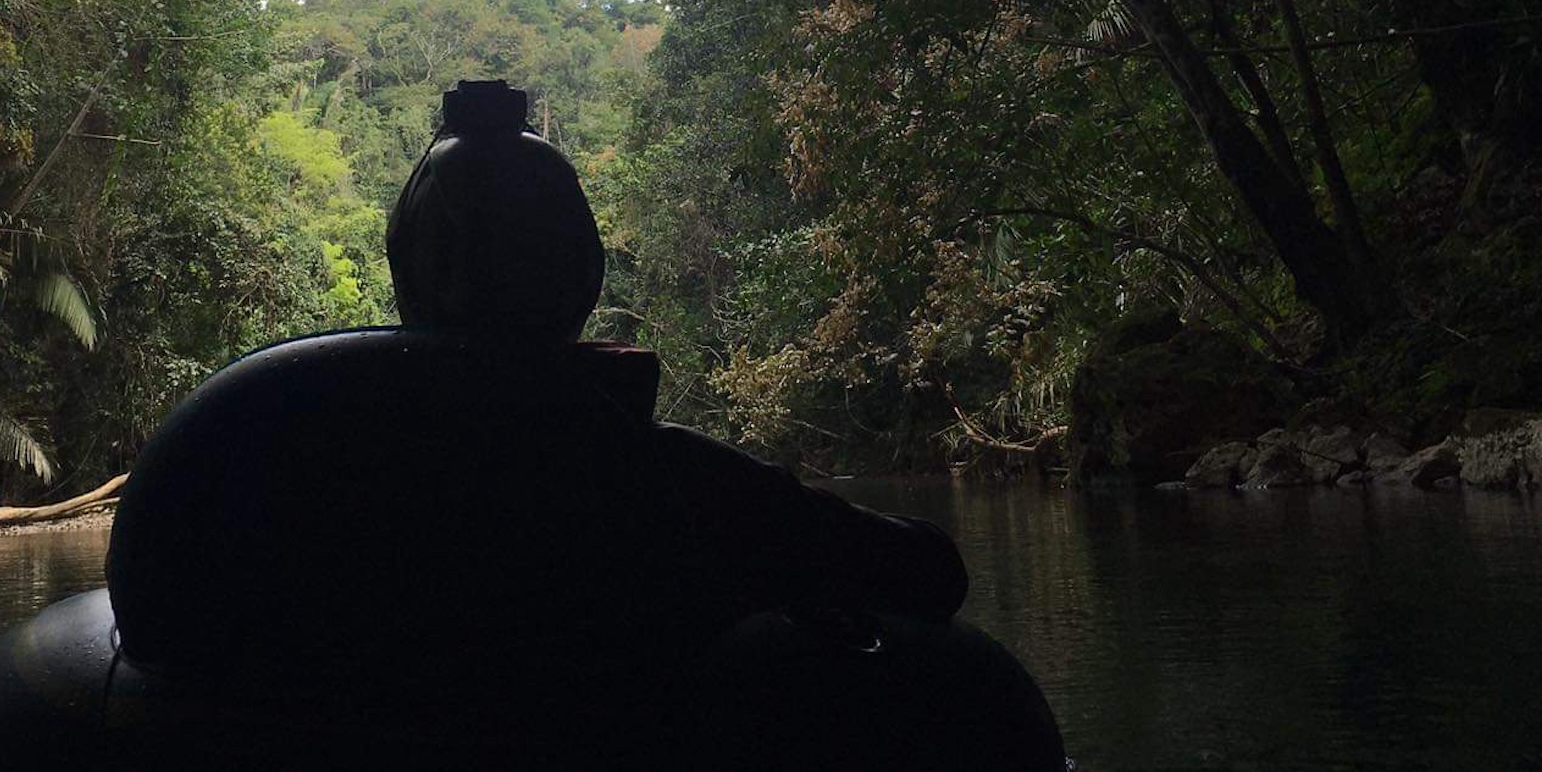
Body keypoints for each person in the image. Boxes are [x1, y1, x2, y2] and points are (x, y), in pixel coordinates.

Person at [104, 80, 965, 696]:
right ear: (578, 272)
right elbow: (927, 571)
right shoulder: (667, 483)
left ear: (407, 265)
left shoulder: (271, 447)